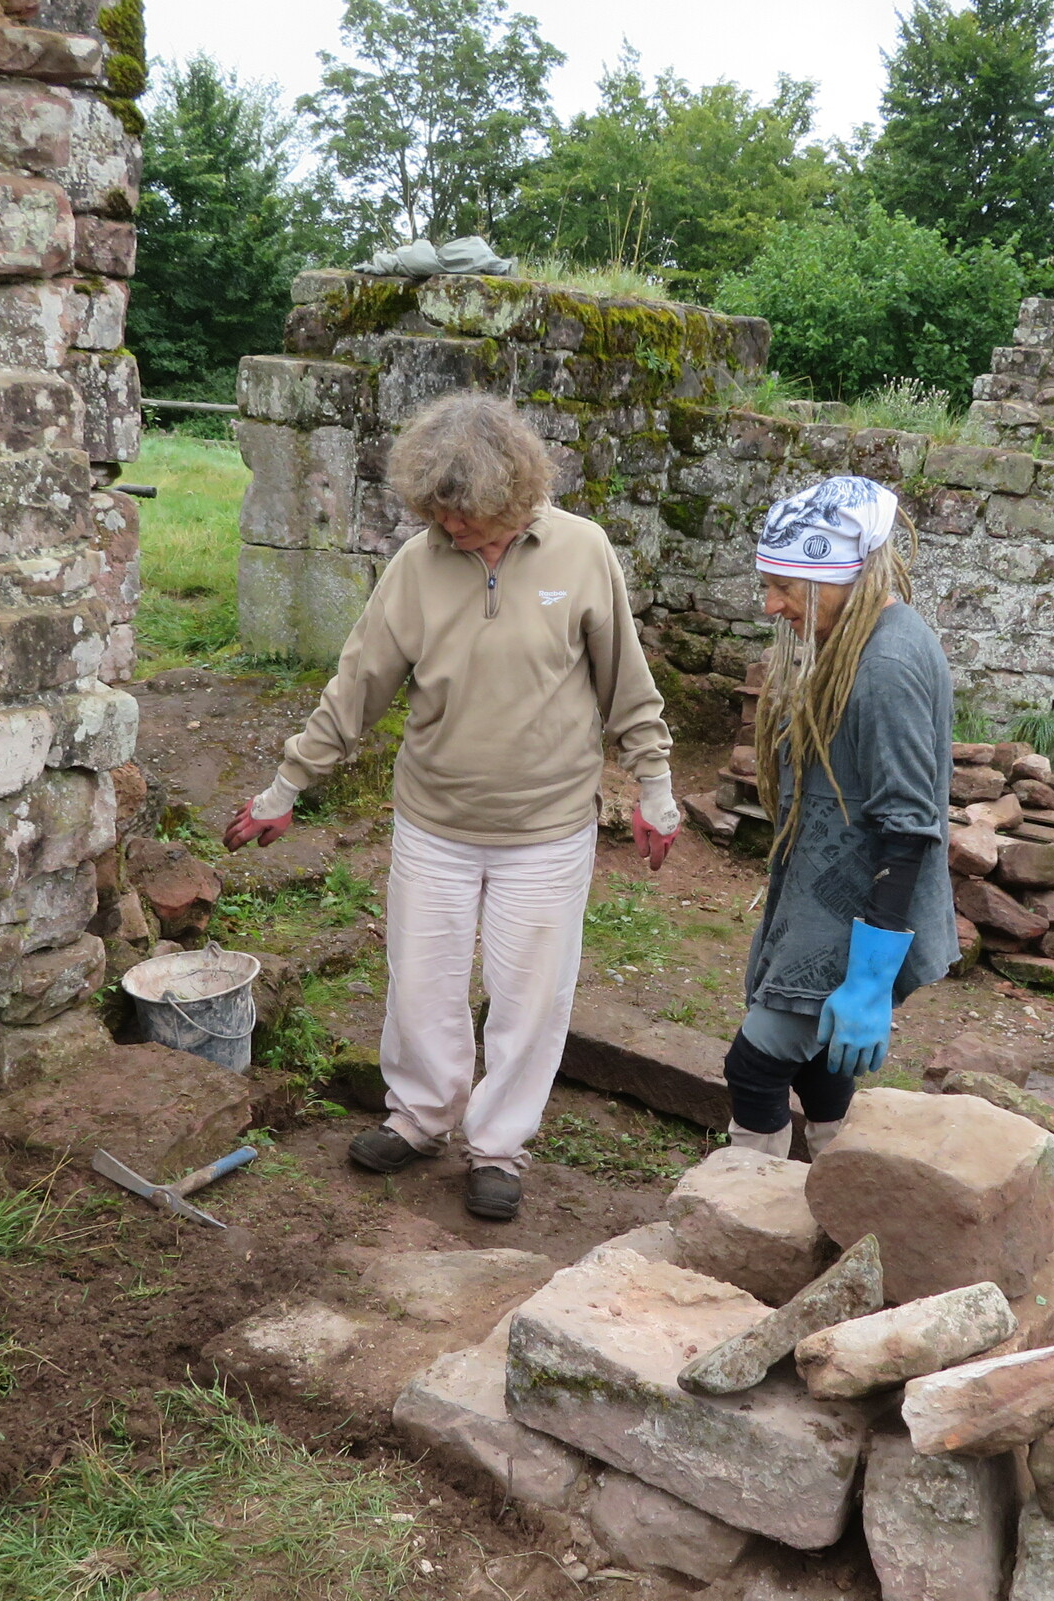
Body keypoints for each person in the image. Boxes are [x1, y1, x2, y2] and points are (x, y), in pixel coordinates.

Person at [222, 391, 678, 1222]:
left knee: (530, 998)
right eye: (434, 510)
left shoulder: (582, 552)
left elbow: (628, 687)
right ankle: (421, 1117)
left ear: (511, 493)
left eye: (462, 512)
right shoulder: (417, 564)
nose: (447, 526)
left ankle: (498, 1147)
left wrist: (656, 791)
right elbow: (356, 688)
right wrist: (285, 789)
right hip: (435, 822)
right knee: (422, 985)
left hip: (546, 828)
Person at [726, 476, 957, 1157]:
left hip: (852, 917)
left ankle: (745, 1203)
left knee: (756, 1065)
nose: (771, 606)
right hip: (828, 898)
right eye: (767, 585)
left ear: (838, 578)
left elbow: (908, 825)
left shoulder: (885, 664)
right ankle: (843, 1190)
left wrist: (868, 982)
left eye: (785, 588)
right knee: (821, 1065)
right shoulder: (867, 638)